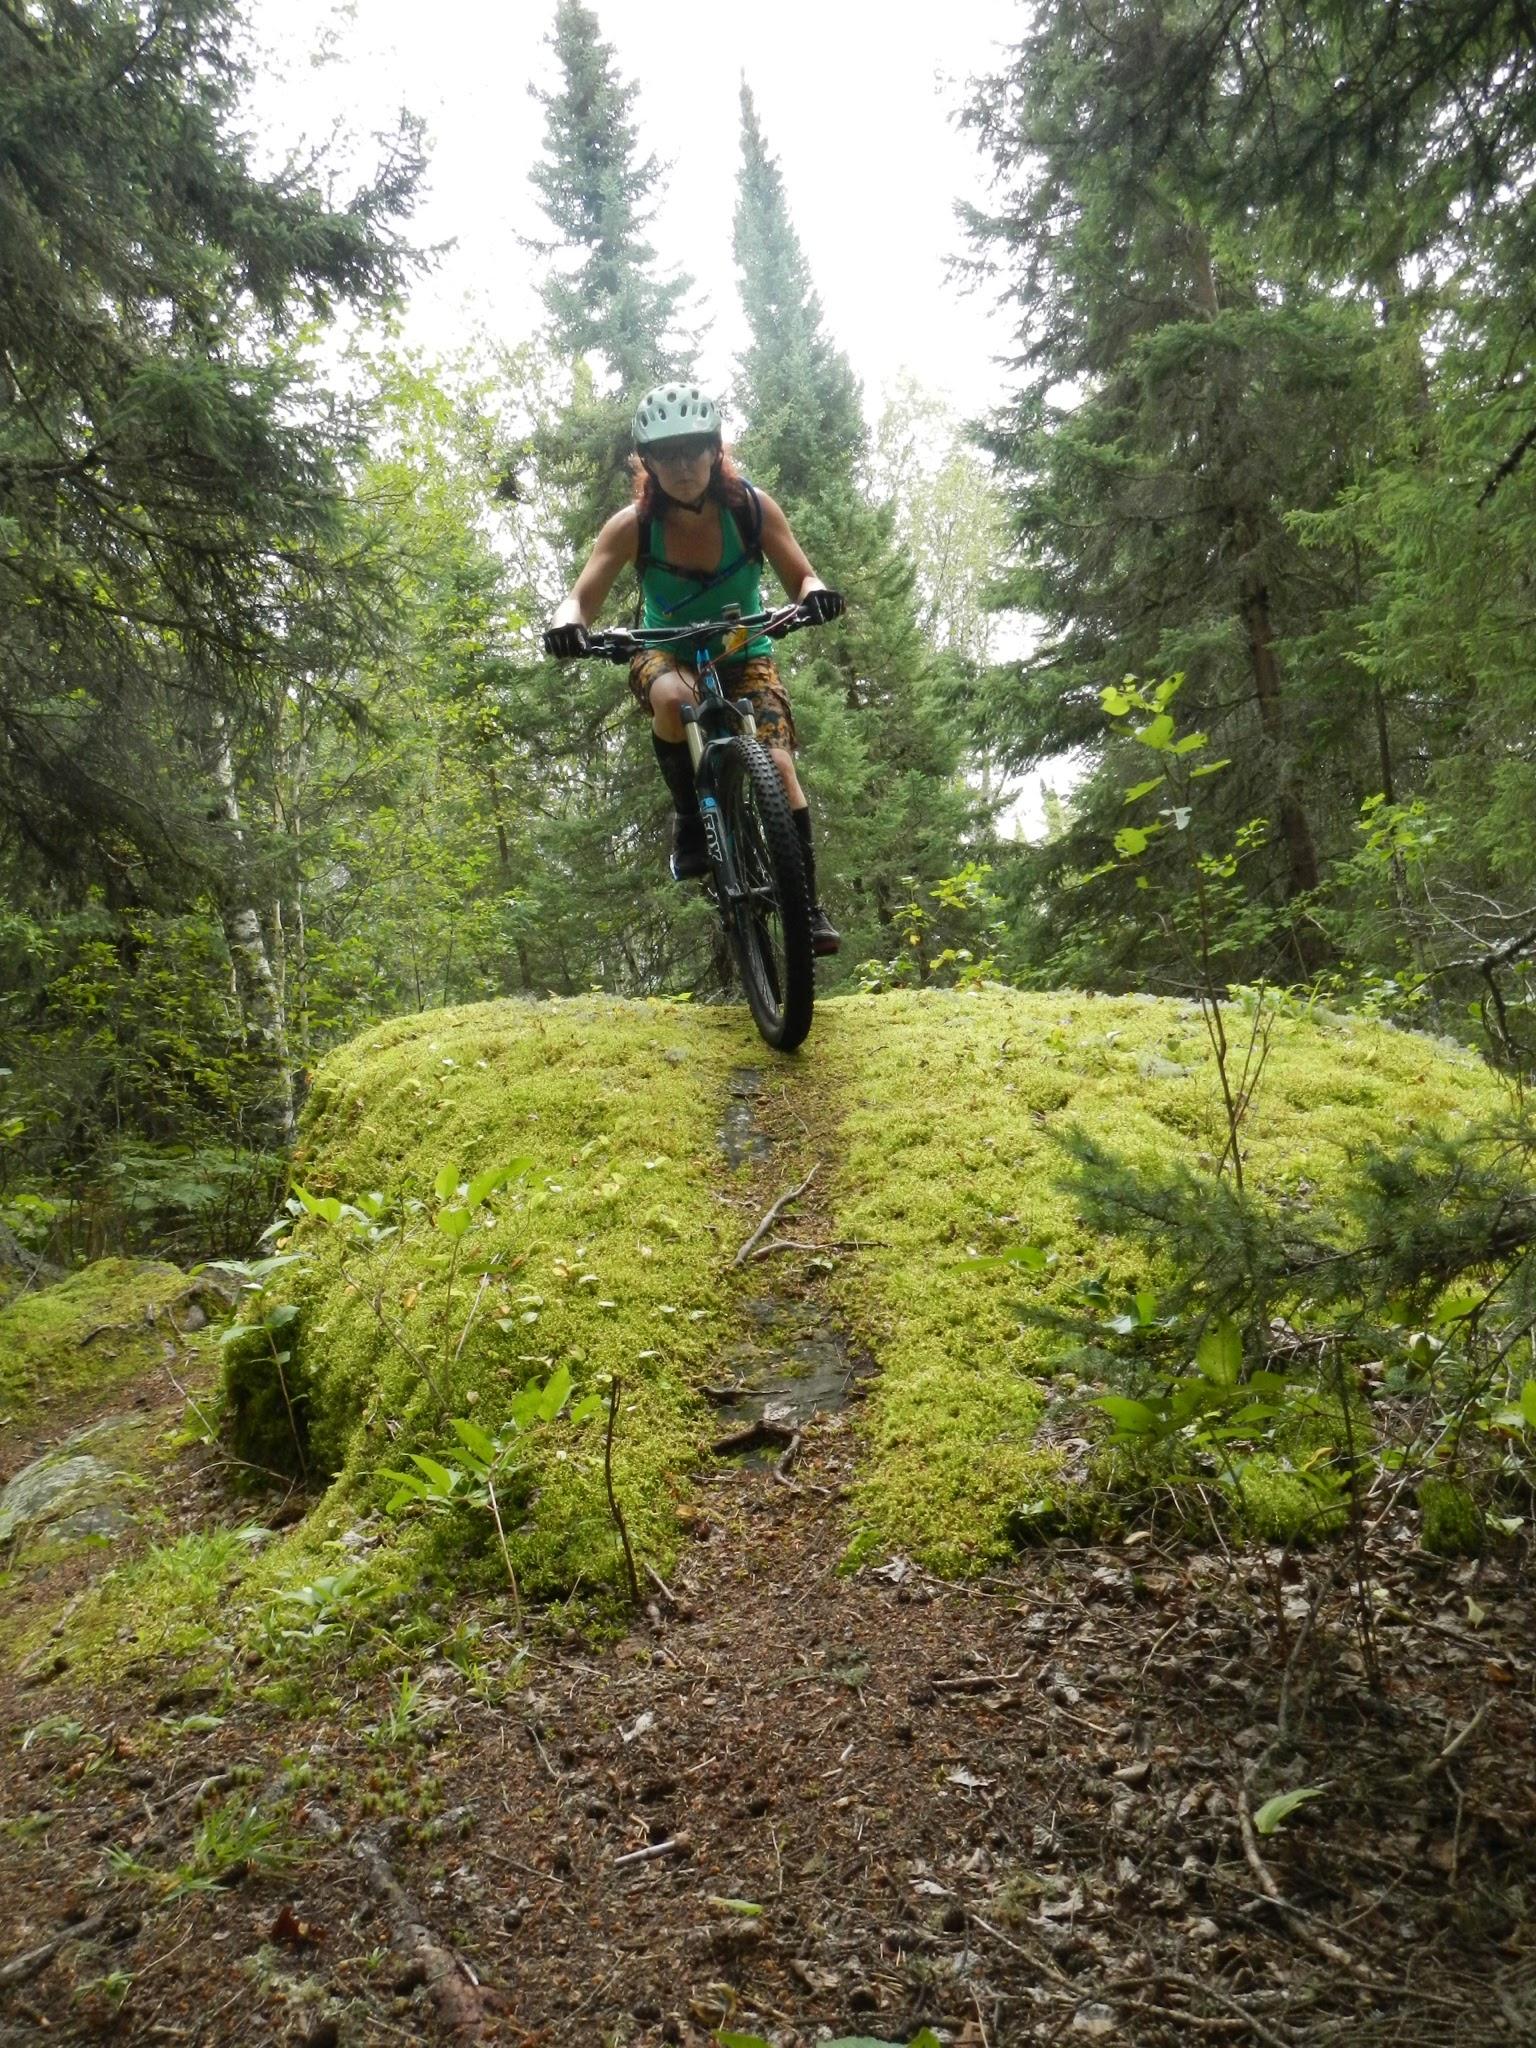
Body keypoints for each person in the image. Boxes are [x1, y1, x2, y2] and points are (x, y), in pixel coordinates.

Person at [542, 384, 844, 955]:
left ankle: (806, 904)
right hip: (666, 648)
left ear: (714, 450)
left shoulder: (751, 510)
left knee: (778, 765)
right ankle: (689, 817)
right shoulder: (632, 526)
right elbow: (580, 597)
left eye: (692, 451)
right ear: (648, 463)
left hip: (744, 650)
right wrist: (568, 624)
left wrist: (817, 594)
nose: (682, 466)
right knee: (675, 698)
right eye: (666, 455)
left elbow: (803, 577)